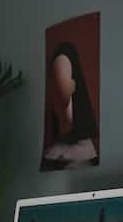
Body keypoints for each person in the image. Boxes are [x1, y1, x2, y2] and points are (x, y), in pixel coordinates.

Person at [42, 41, 98, 169]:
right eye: (56, 81)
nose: (61, 90)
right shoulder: (54, 150)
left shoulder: (86, 151)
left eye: (65, 81)